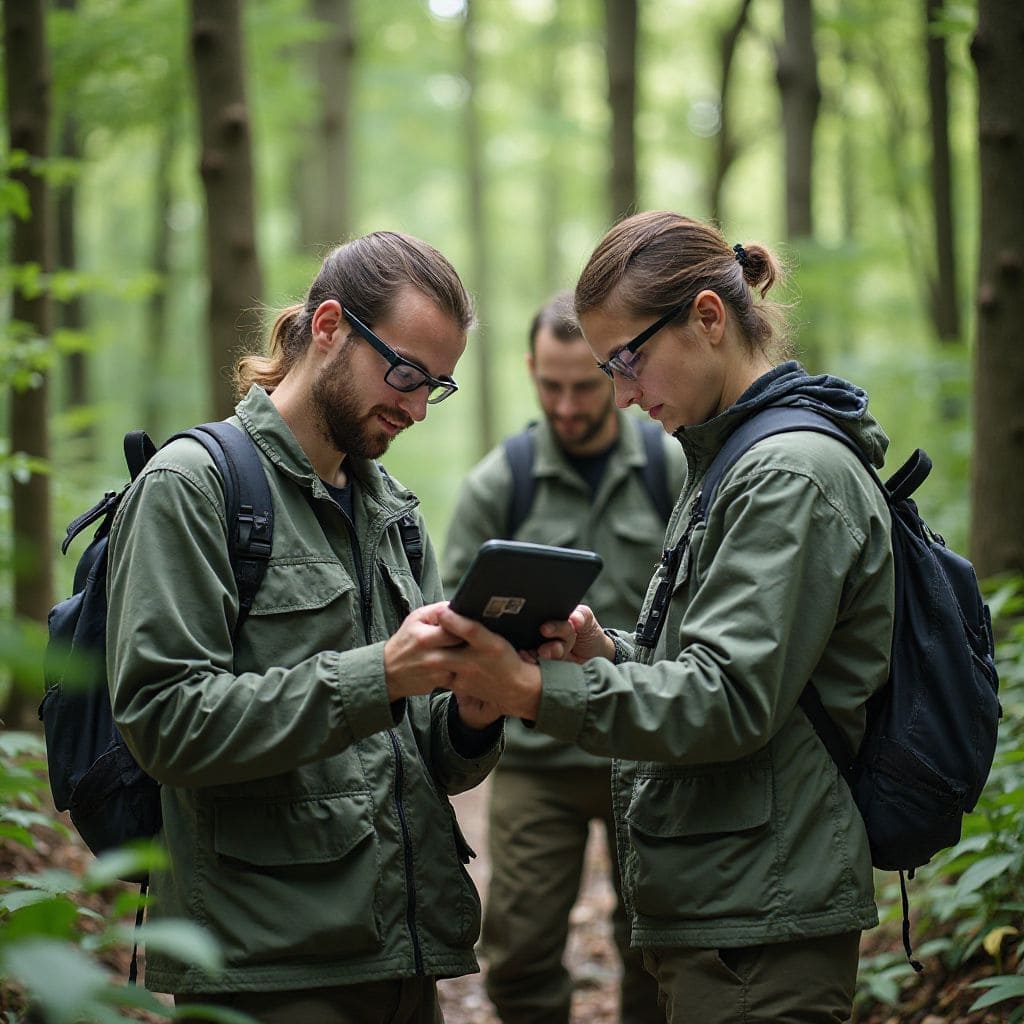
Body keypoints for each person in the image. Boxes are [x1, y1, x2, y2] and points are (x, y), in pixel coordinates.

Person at [436, 211, 896, 1024]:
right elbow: (718, 663)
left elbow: (728, 698)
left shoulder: (785, 475)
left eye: (627, 361)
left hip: (761, 917)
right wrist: (606, 655)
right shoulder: (729, 461)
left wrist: (536, 691)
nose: (619, 394)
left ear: (708, 318)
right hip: (731, 901)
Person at [106, 231, 505, 1024]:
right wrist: (378, 675)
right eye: (405, 374)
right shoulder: (193, 487)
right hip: (265, 969)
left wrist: (472, 712)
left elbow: (427, 758)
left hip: (405, 954)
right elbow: (164, 722)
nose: (416, 408)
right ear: (328, 328)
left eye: (436, 386)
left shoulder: (395, 516)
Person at [442, 291, 680, 1024]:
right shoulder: (499, 483)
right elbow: (452, 613)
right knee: (516, 951)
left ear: (613, 372)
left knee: (657, 945)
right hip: (537, 756)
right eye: (551, 386)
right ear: (530, 371)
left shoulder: (669, 468)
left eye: (585, 385)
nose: (568, 406)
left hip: (646, 747)